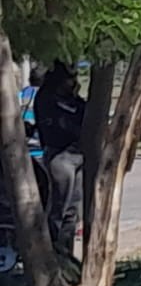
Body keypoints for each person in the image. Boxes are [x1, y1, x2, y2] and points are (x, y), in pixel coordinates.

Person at [33, 62, 85, 258]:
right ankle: (51, 252)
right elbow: (57, 129)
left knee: (73, 209)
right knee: (58, 207)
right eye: (69, 79)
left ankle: (67, 251)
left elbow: (84, 113)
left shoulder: (74, 101)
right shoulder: (46, 99)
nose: (72, 83)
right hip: (60, 156)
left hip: (77, 155)